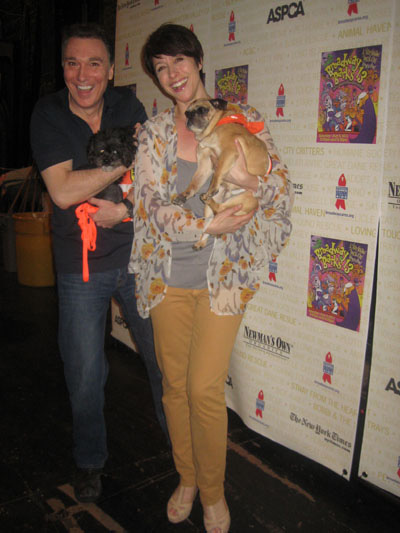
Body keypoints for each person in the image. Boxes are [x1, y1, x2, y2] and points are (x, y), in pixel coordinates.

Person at [129, 23, 294, 533]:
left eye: (178, 61)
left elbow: (282, 192)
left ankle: (215, 493)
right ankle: (187, 479)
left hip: (222, 280)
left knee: (203, 388)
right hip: (165, 279)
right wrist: (205, 225)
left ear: (198, 61)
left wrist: (250, 180)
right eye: (160, 68)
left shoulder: (244, 120)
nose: (172, 74)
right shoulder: (155, 133)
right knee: (174, 387)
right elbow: (151, 204)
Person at [30, 23, 167, 503]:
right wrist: (118, 160)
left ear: (110, 70)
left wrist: (126, 207)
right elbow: (63, 192)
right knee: (85, 372)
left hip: (136, 257)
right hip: (78, 265)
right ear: (63, 69)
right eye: (72, 63)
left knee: (162, 362)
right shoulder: (47, 114)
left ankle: (185, 457)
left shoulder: (129, 106)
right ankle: (90, 460)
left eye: (93, 64)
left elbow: (152, 174)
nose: (82, 75)